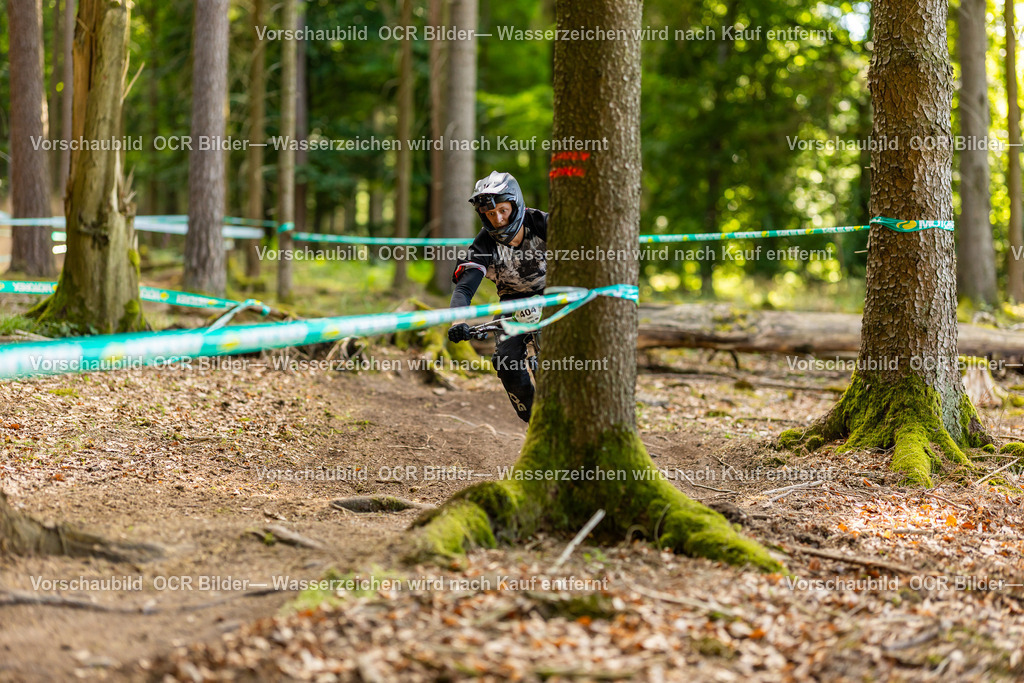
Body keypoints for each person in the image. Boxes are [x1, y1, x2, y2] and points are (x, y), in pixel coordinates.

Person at [447, 171, 548, 423]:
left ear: (515, 204)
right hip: (513, 302)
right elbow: (464, 288)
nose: (499, 220)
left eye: (502, 210)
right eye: (490, 214)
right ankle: (536, 421)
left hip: (554, 296)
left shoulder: (542, 223)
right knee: (505, 361)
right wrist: (458, 322)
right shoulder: (484, 243)